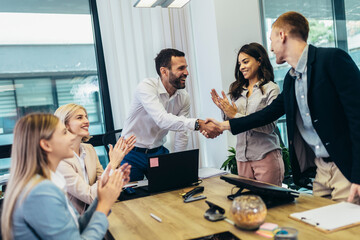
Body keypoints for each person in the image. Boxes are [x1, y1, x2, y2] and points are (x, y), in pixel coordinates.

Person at [204, 11, 360, 203]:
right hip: (320, 170)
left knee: (347, 231)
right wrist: (223, 125)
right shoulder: (290, 79)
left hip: (345, 166)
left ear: (282, 35)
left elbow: (357, 117)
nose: (270, 48)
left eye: (271, 40)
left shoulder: (332, 59)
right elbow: (266, 115)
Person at [1, 113, 128, 240]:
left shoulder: (49, 180)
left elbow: (75, 227)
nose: (72, 138)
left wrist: (101, 196)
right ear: (46, 145)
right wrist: (104, 206)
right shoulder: (41, 191)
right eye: (64, 133)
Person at [121, 48, 222, 181]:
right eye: (181, 68)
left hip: (158, 152)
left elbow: (182, 133)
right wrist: (199, 124)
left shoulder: (183, 97)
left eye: (186, 68)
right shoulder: (146, 87)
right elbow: (162, 119)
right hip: (131, 153)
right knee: (133, 198)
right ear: (164, 71)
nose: (186, 73)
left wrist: (178, 162)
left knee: (171, 190)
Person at [210, 43, 284, 186]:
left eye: (245, 61)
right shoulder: (237, 89)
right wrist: (223, 109)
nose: (241, 67)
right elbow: (232, 125)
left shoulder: (271, 89)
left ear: (259, 60)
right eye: (239, 64)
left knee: (272, 206)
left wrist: (235, 115)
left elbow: (268, 126)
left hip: (265, 156)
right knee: (248, 204)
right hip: (242, 159)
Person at [55, 103, 135, 214]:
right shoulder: (60, 159)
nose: (87, 121)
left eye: (86, 117)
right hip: (74, 220)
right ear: (66, 125)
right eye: (79, 117)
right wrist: (113, 162)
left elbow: (104, 183)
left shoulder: (89, 149)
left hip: (95, 211)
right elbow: (91, 196)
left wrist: (117, 161)